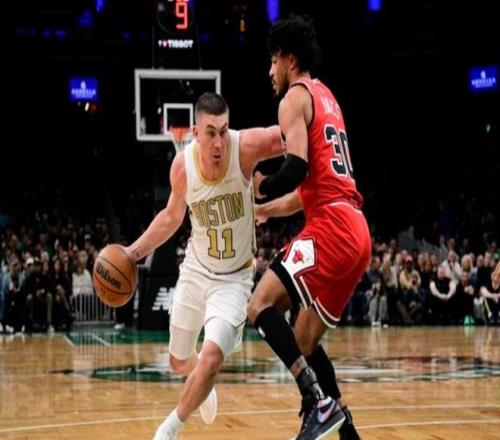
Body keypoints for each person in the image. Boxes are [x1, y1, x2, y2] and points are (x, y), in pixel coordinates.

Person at [125, 92, 283, 440]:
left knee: (211, 358)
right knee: (178, 362)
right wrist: (132, 254)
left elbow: (286, 133)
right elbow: (171, 218)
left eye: (224, 130)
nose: (219, 142)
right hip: (196, 270)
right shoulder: (183, 167)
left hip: (234, 280)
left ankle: (168, 431)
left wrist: (315, 115)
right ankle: (203, 386)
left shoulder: (244, 148)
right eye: (211, 132)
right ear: (195, 132)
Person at [247, 14, 371, 440]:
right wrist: (267, 210)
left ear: (288, 58)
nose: (270, 71)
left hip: (332, 228)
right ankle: (347, 431)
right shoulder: (327, 97)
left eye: (272, 60)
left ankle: (317, 402)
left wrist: (261, 185)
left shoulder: (292, 100)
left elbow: (296, 168)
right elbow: (309, 190)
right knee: (303, 341)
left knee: (259, 305)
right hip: (356, 231)